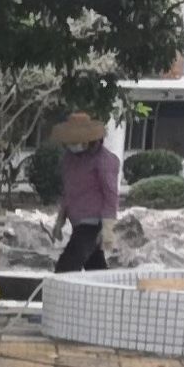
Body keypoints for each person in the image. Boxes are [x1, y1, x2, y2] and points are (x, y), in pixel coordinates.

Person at [50, 112, 120, 273]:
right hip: (77, 220)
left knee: (66, 267)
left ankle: (60, 289)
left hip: (93, 223)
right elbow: (68, 191)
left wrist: (108, 227)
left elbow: (111, 195)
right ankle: (104, 289)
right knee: (95, 267)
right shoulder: (69, 159)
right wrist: (60, 221)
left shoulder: (104, 160)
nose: (72, 145)